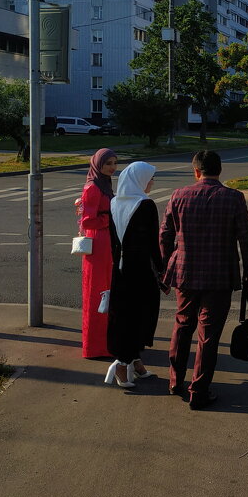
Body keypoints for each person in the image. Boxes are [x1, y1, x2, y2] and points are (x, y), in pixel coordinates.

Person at [159, 150, 248, 410]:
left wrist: (169, 265)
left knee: (182, 325)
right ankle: (199, 391)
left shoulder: (178, 195)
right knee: (208, 336)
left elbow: (165, 235)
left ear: (196, 171)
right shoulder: (234, 197)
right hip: (219, 276)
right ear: (220, 171)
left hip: (185, 274)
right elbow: (245, 237)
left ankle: (175, 381)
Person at [104, 161, 162, 389]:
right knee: (141, 316)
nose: (152, 182)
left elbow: (113, 243)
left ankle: (134, 361)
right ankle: (122, 364)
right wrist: (162, 270)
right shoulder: (146, 205)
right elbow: (152, 244)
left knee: (124, 316)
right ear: (140, 181)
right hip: (141, 273)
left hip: (120, 271)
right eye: (150, 178)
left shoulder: (114, 203)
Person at [76, 148, 118, 359]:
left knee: (106, 292)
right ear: (97, 164)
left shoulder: (104, 184)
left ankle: (105, 342)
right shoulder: (93, 187)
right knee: (98, 293)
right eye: (107, 163)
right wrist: (110, 220)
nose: (112, 167)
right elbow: (87, 221)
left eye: (114, 163)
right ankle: (94, 346)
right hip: (98, 243)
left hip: (106, 243)